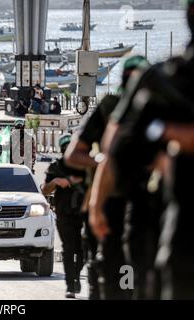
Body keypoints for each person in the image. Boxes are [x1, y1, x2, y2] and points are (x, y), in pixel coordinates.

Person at [89, 2, 194, 299]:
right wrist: (97, 205)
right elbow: (116, 149)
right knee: (132, 278)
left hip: (167, 224)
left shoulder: (167, 79)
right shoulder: (166, 81)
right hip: (159, 219)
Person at [64, 55, 149, 300]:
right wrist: (104, 161)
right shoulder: (111, 106)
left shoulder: (157, 106)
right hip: (109, 199)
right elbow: (74, 154)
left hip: (147, 202)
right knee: (107, 271)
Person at [41, 134, 85, 299]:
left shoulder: (84, 167)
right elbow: (45, 190)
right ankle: (70, 285)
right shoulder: (56, 168)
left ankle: (76, 276)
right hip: (64, 214)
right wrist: (56, 181)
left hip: (83, 213)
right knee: (68, 249)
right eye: (65, 148)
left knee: (83, 250)